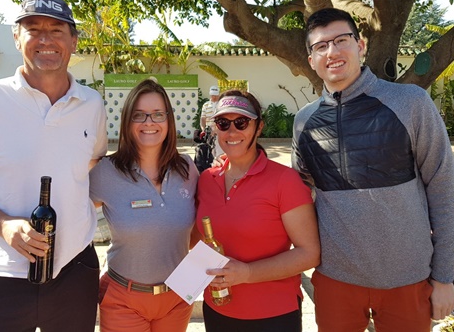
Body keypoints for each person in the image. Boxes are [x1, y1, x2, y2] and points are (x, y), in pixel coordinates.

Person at [0, 0, 107, 331]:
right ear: (17, 38)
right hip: (5, 274)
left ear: (73, 41)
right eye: (33, 29)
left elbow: (94, 163)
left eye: (57, 30)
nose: (45, 40)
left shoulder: (92, 104)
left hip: (75, 270)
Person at [292, 8, 454, 331]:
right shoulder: (304, 122)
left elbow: (443, 190)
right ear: (311, 59)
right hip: (336, 279)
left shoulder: (410, 103)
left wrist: (443, 278)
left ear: (362, 45)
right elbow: (298, 197)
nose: (332, 52)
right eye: (320, 46)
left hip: (408, 278)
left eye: (342, 40)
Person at [195, 90, 321, 331]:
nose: (232, 131)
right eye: (223, 123)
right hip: (217, 309)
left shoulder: (285, 180)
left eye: (241, 122)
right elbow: (197, 240)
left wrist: (247, 273)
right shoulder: (206, 180)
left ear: (259, 127)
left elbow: (309, 253)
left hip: (273, 314)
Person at [90, 79, 198, 332]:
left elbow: (207, 219)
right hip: (124, 300)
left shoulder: (187, 168)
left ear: (169, 120)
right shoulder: (106, 172)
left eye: (158, 114)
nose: (149, 122)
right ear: (127, 122)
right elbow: (67, 210)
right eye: (139, 115)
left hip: (178, 297)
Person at [199, 85, 224, 159]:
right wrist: (203, 129)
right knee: (210, 152)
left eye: (216, 95)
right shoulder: (206, 105)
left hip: (219, 131)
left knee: (220, 152)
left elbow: (222, 119)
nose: (214, 97)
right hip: (209, 132)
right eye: (213, 95)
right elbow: (203, 118)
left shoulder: (221, 104)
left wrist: (216, 130)